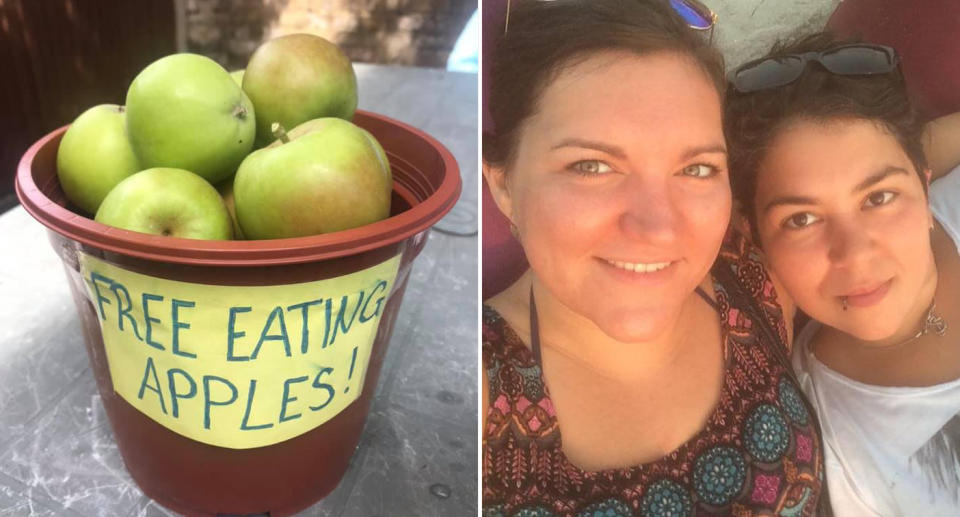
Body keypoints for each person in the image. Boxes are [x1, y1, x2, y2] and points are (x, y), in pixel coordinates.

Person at [481, 1, 825, 515]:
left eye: (697, 168)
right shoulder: (481, 388)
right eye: (592, 165)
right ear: (504, 186)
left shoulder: (750, 273)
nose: (658, 226)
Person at [725, 31, 960, 516]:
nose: (853, 255)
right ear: (755, 238)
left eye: (878, 197)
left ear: (922, 179)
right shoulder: (831, 445)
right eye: (801, 220)